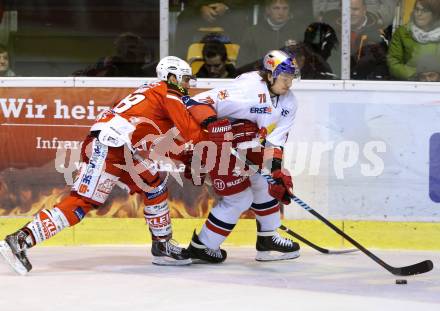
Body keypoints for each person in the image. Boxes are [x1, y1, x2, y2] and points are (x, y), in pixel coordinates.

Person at [0, 56, 222, 274]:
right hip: (109, 147)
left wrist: (188, 158)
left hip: (119, 147)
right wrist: (217, 144)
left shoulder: (152, 92)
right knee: (81, 203)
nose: (187, 84)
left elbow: (165, 140)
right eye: (185, 79)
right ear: (171, 76)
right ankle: (21, 240)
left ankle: (162, 245)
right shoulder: (169, 91)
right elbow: (190, 131)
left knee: (153, 185)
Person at [185, 50, 301, 263]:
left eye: (292, 78)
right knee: (239, 198)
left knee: (265, 182)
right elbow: (195, 102)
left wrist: (275, 170)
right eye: (284, 78)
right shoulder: (246, 90)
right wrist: (214, 125)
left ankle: (268, 239)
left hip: (248, 144)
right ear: (269, 75)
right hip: (219, 146)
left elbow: (275, 140)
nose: (289, 84)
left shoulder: (289, 102)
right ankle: (202, 246)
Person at [324, 0, 390, 79]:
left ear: (364, 10)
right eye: (347, 9)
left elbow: (383, 65)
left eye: (355, 9)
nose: (351, 13)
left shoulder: (378, 34)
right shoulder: (329, 32)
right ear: (340, 10)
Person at [238, 0, 305, 67]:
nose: (281, 13)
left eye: (285, 8)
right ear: (268, 10)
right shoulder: (253, 32)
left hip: (289, 75)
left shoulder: (297, 32)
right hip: (261, 75)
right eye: (276, 8)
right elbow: (243, 62)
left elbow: (303, 60)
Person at [387, 0, 440, 82]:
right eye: (417, 9)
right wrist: (415, 74)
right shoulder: (403, 32)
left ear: (435, 13)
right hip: (411, 85)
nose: (418, 14)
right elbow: (393, 61)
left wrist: (437, 76)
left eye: (424, 11)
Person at [73, 32, 151, 77]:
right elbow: (79, 77)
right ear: (119, 50)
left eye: (135, 47)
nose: (132, 51)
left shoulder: (145, 71)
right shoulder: (107, 64)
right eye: (130, 47)